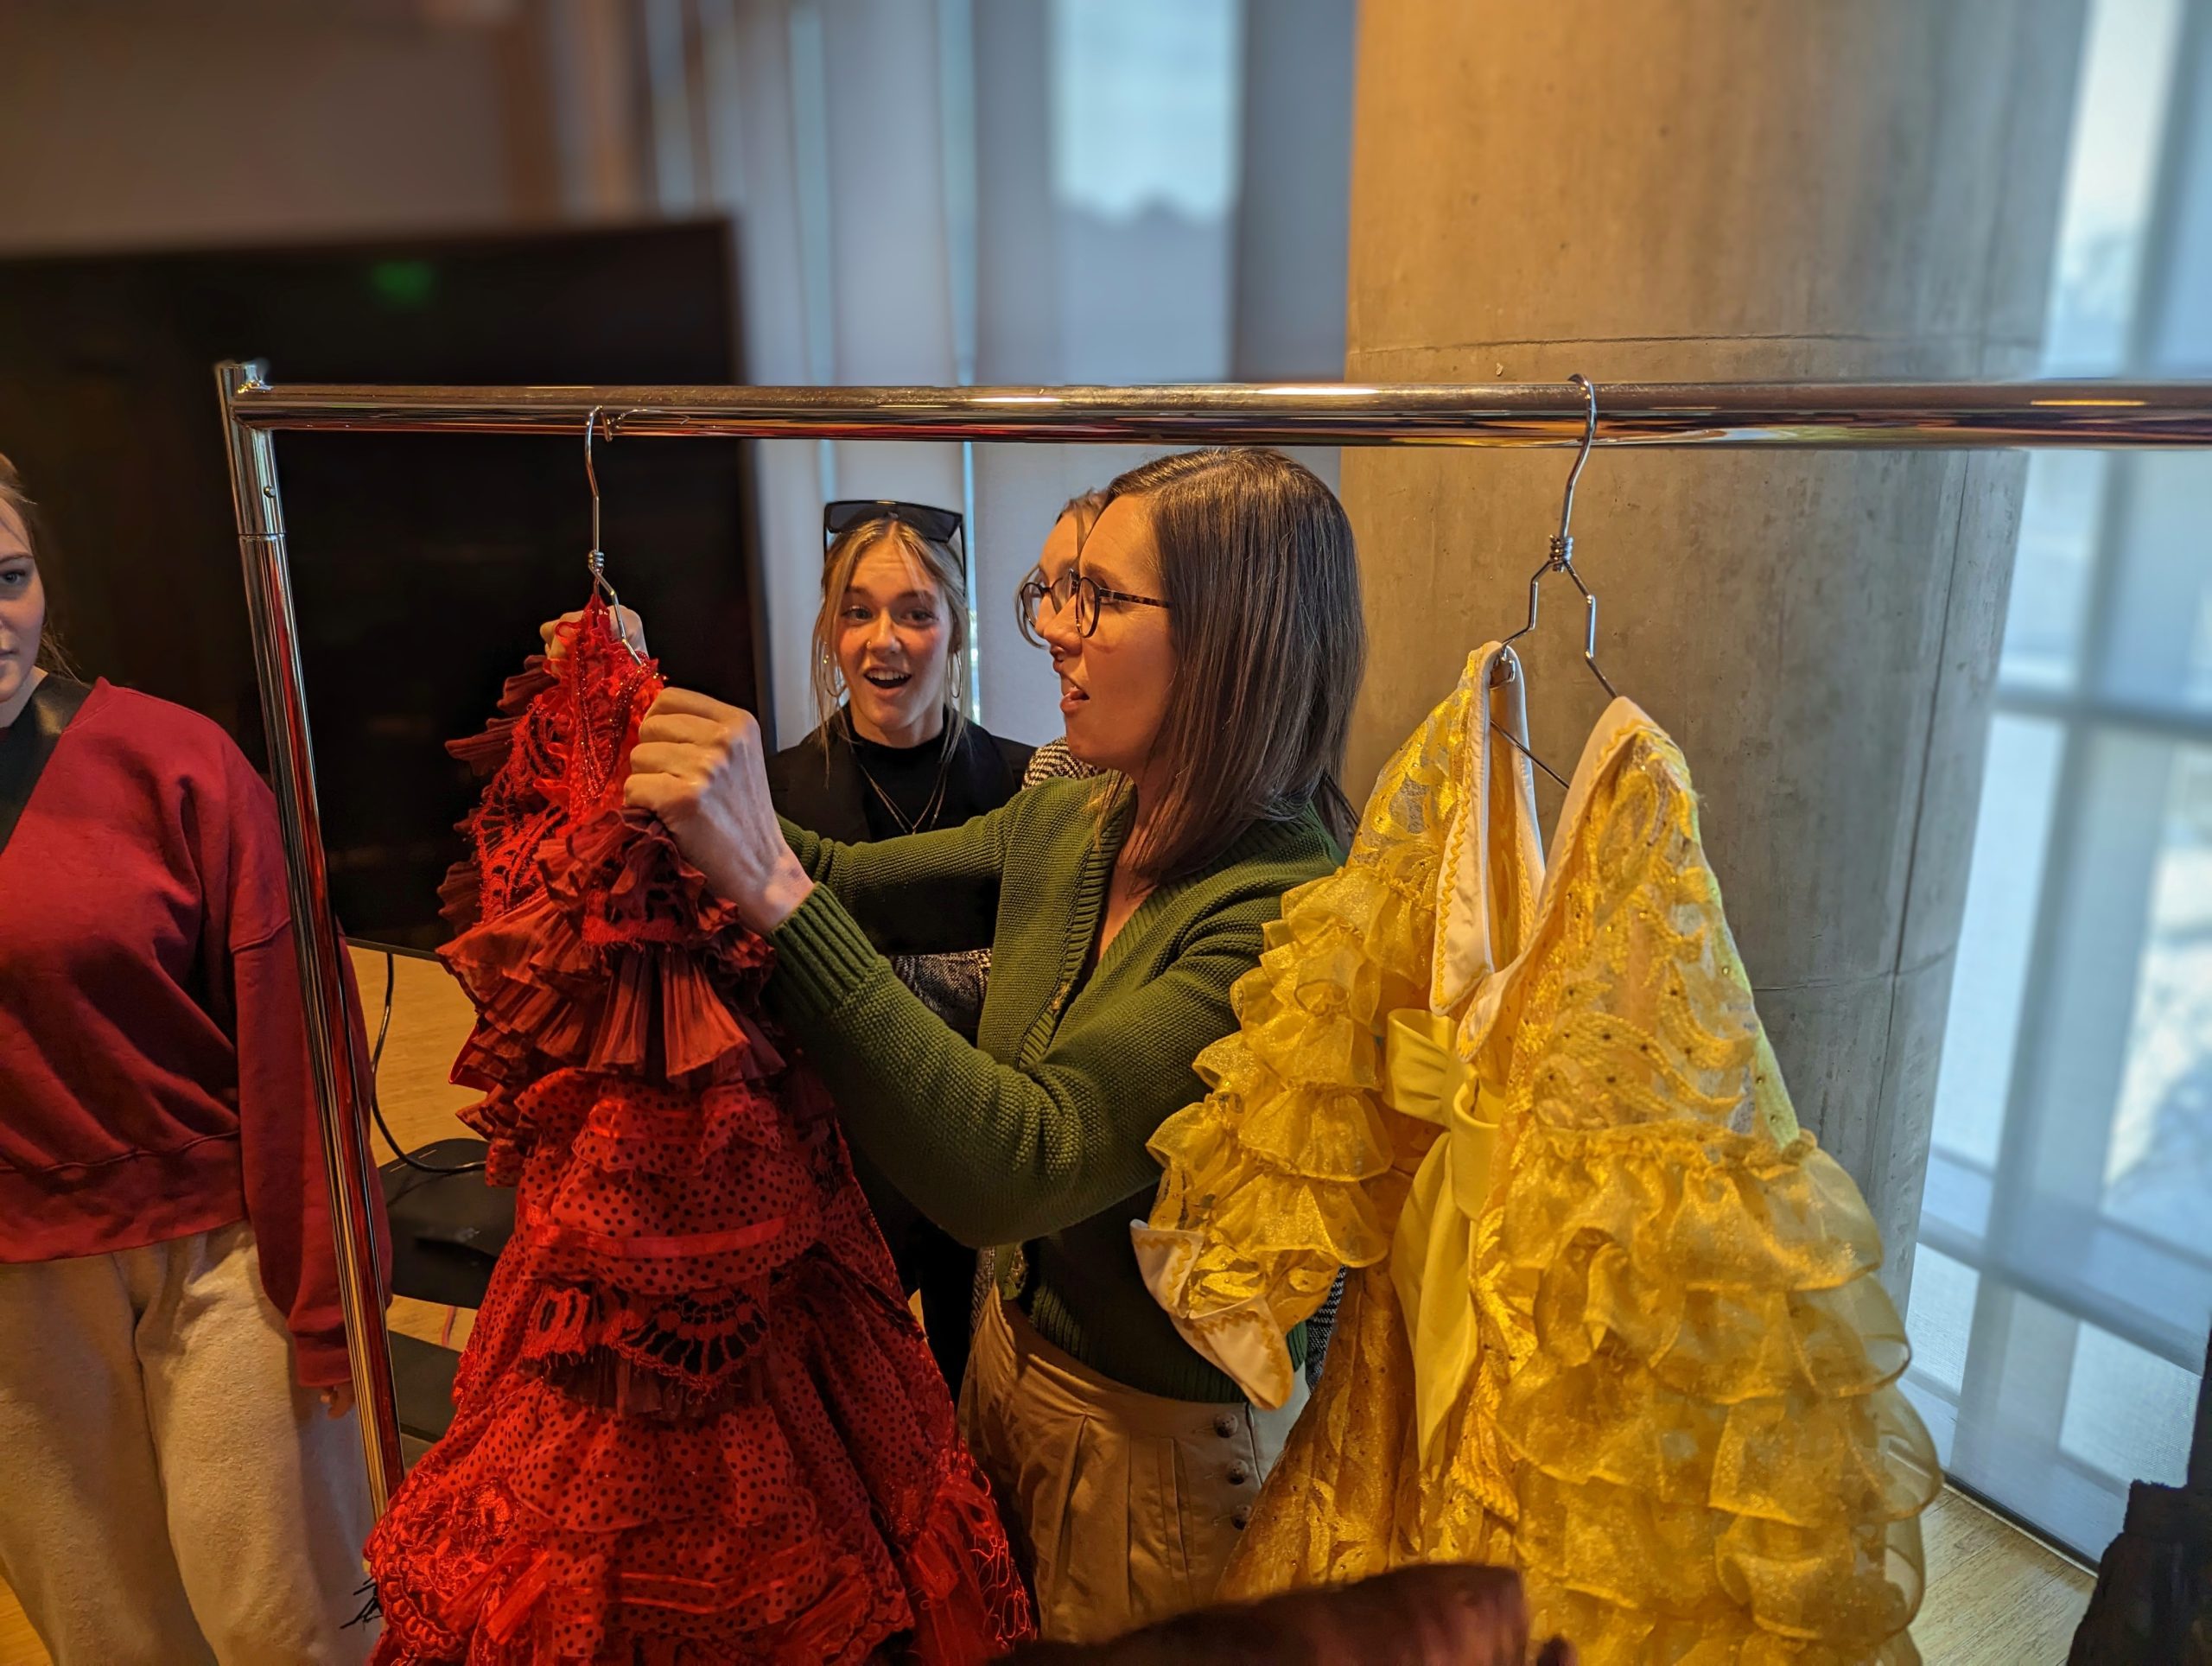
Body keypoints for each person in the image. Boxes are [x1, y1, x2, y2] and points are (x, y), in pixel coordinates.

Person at [617, 447, 1367, 1644]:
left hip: (1153, 1457)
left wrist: (764, 876)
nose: (1057, 633)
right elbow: (856, 882)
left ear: (1232, 640)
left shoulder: (1283, 909)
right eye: (1054, 594)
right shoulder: (1078, 809)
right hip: (1010, 1368)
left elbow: (1018, 1164)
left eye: (1100, 599)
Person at [0, 453, 378, 1664]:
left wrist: (329, 1303)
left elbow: (296, 1044)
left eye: (7, 577)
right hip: (14, 1295)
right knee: (109, 1636)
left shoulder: (174, 766)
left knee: (291, 1622)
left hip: (224, 1258)